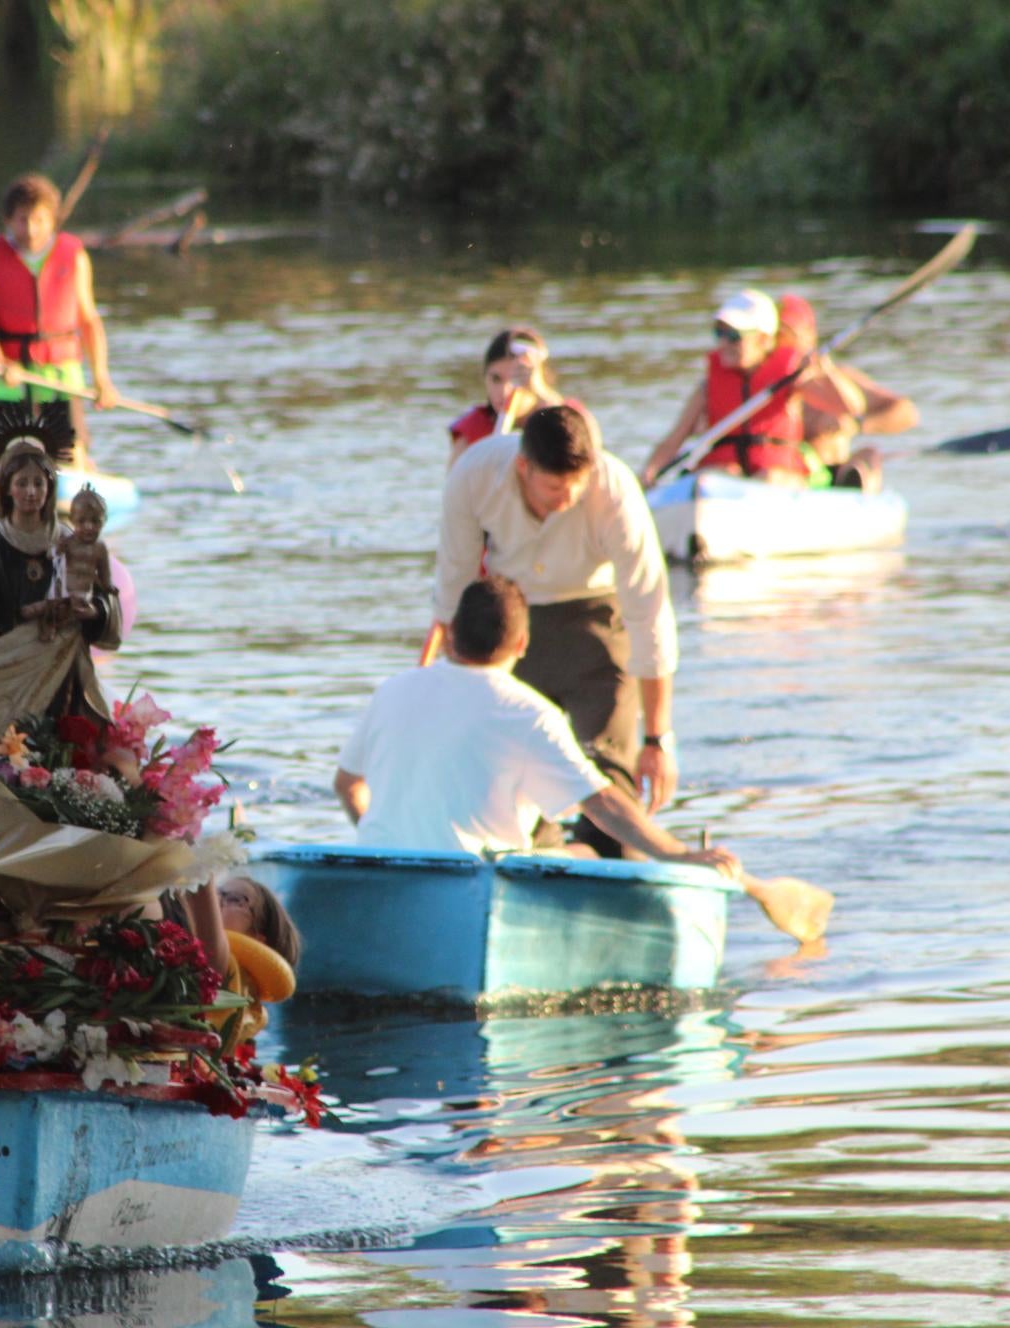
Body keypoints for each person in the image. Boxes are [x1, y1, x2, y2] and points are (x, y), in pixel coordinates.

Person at [341, 576, 831, 944]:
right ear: (522, 645)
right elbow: (603, 805)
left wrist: (381, 832)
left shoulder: (393, 689)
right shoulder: (529, 713)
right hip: (472, 894)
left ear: (449, 636)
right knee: (590, 853)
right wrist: (679, 855)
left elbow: (348, 785)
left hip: (387, 877)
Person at [433, 404, 678, 854]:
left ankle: (614, 868)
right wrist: (450, 690)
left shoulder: (615, 489)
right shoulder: (474, 475)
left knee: (609, 777)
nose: (565, 501)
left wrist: (658, 739)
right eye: (552, 490)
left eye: (576, 489)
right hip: (511, 625)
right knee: (514, 776)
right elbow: (454, 592)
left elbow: (650, 613)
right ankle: (535, 861)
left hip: (599, 623)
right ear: (523, 468)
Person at [0, 406, 121, 759]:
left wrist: (92, 611)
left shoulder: (70, 541)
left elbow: (105, 598)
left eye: (38, 482)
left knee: (55, 745)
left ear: (49, 486)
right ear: (6, 488)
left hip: (58, 663)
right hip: (3, 659)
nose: (31, 491)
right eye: (22, 483)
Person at [0, 172, 117, 468]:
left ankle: (79, 471)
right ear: (8, 220)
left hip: (61, 376)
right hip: (9, 375)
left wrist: (101, 378)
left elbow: (89, 321)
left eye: (39, 219)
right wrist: (0, 363)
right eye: (22, 219)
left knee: (70, 455)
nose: (30, 229)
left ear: (53, 219)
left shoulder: (73, 255)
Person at [641, 289, 810, 487]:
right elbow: (674, 440)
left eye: (733, 336)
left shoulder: (795, 379)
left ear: (764, 339)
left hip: (777, 478)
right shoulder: (706, 388)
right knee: (714, 477)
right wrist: (648, 473)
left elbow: (850, 407)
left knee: (769, 478)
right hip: (728, 476)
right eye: (719, 333)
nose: (723, 343)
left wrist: (823, 369)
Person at [775, 293, 916, 494]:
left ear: (809, 335)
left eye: (789, 334)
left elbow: (906, 413)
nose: (783, 343)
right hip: (787, 476)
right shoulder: (762, 383)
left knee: (868, 455)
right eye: (777, 336)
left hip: (833, 476)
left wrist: (857, 425)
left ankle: (856, 490)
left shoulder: (838, 377)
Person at [184, 875, 301, 1045]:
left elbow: (199, 881)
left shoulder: (236, 980)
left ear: (258, 940)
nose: (217, 899)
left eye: (235, 899)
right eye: (217, 892)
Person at [446, 327, 572, 466]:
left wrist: (540, 392)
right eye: (496, 379)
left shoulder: (570, 417)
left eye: (516, 379)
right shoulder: (472, 431)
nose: (505, 391)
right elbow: (453, 485)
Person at [32, 484, 112, 641]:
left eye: (95, 521)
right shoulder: (69, 542)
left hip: (84, 593)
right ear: (72, 520)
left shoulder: (100, 547)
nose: (89, 527)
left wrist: (108, 586)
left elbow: (104, 571)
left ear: (104, 521)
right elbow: (51, 557)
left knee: (81, 610)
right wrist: (57, 550)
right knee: (53, 607)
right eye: (82, 521)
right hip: (65, 590)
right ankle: (48, 626)